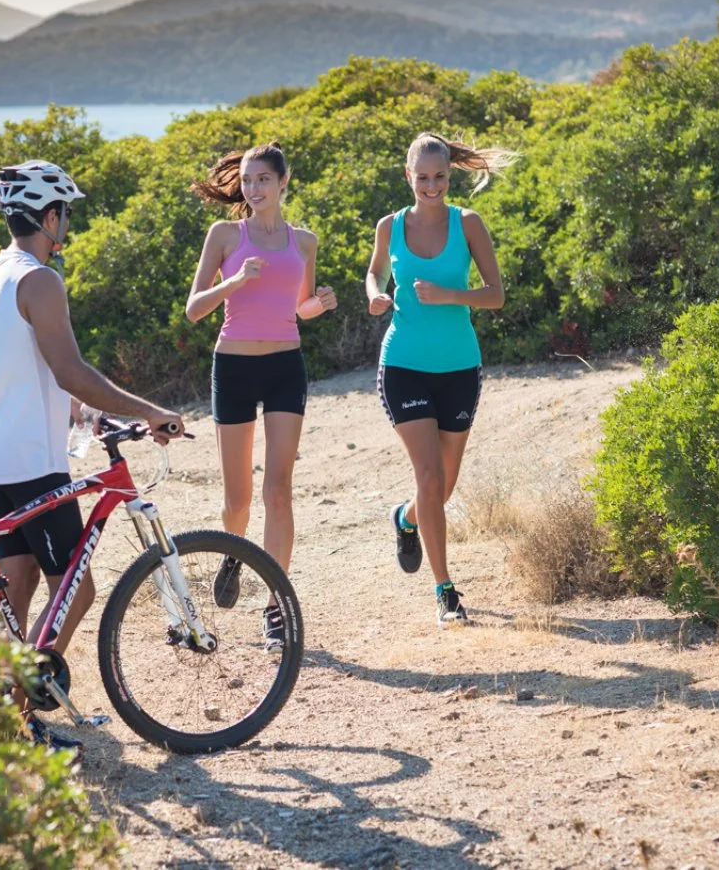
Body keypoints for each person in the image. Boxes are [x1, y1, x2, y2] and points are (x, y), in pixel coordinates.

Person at [0, 159, 185, 760]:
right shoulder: (39, 280)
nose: (67, 224)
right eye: (65, 213)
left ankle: (6, 722)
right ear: (49, 216)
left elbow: (18, 369)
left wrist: (86, 415)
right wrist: (149, 411)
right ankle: (28, 704)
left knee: (16, 593)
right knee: (77, 590)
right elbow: (70, 371)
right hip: (35, 461)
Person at [184, 143, 336, 649]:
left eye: (263, 180)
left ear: (283, 181)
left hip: (285, 367)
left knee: (278, 491)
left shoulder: (304, 242)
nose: (253, 189)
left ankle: (276, 608)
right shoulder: (225, 235)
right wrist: (233, 282)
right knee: (238, 501)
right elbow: (194, 309)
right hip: (233, 367)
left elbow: (299, 306)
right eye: (247, 181)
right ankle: (234, 553)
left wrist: (319, 304)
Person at [365, 132, 512, 624]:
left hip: (459, 368)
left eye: (440, 177)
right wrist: (375, 295)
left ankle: (405, 518)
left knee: (441, 489)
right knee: (428, 478)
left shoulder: (468, 223)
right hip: (403, 365)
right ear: (408, 176)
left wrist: (451, 296)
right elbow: (374, 273)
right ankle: (445, 590)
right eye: (423, 177)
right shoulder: (390, 226)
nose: (432, 186)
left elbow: (495, 294)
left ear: (450, 176)